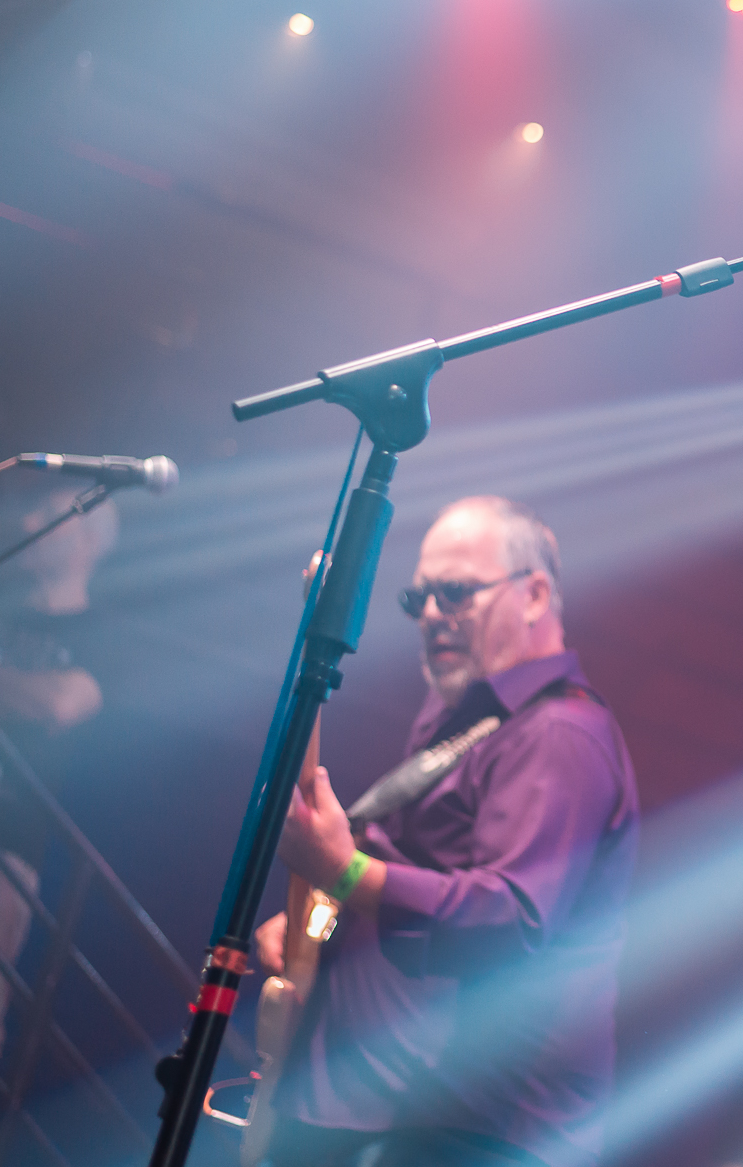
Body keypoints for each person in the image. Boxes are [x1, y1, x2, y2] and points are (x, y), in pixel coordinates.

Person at [254, 496, 639, 1167]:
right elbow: (415, 863)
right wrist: (321, 917)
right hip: (382, 1111)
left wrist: (344, 871)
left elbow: (512, 918)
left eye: (456, 592)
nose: (432, 613)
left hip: (474, 1131)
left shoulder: (561, 734)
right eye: (419, 598)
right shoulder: (462, 715)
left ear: (533, 594)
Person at [0, 483, 119, 1061]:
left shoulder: (104, 635)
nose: (29, 522)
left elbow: (59, 704)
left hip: (6, 842)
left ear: (88, 539)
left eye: (50, 514)